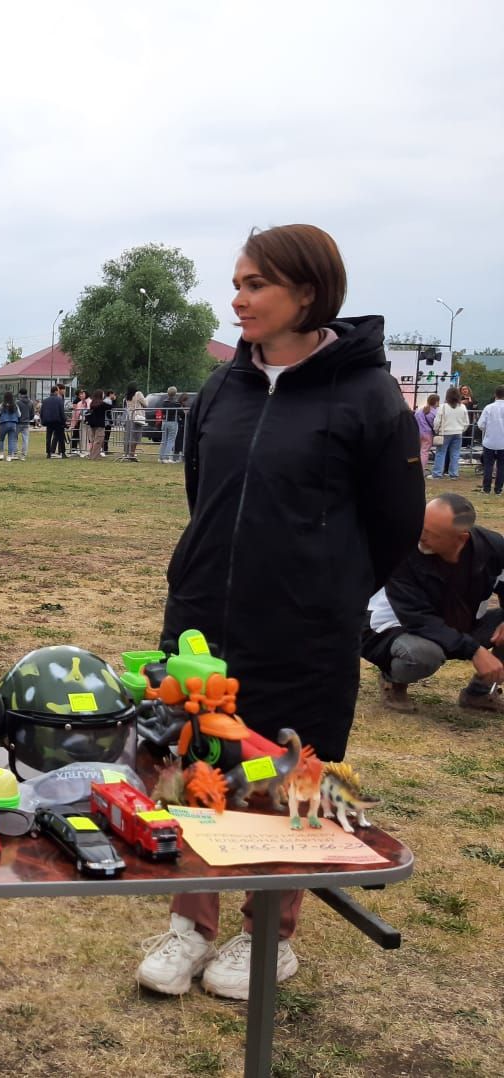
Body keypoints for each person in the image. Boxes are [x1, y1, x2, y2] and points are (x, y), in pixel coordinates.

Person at [136, 223, 423, 1002]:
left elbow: (396, 523)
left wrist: (322, 585)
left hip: (305, 632)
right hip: (203, 623)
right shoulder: (222, 387)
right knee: (198, 770)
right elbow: (206, 493)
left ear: (308, 292)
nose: (238, 299)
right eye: (236, 282)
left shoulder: (367, 396)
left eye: (256, 283)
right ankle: (190, 925)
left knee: (288, 775)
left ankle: (271, 935)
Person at [365, 494, 504, 714]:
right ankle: (393, 678)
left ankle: (480, 693)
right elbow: (420, 620)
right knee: (424, 655)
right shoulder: (403, 551)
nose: (420, 535)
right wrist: (475, 650)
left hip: (459, 624)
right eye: (421, 527)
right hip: (395, 629)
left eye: (430, 533)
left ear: (461, 539)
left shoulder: (492, 548)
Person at [431, 387, 469, 480]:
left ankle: (437, 474)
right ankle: (454, 474)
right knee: (455, 454)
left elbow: (437, 421)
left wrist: (436, 430)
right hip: (458, 433)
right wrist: (461, 430)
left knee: (440, 453)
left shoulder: (443, 407)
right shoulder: (462, 407)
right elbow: (467, 422)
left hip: (445, 433)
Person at [477, 386, 504, 495]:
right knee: (502, 466)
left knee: (488, 465)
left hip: (489, 441)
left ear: (495, 394)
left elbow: (480, 425)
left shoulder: (488, 408)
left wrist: (489, 428)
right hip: (503, 442)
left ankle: (486, 488)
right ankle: (498, 489)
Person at [415, 393, 440, 475]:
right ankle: (421, 470)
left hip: (417, 433)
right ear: (436, 402)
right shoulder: (435, 412)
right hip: (428, 434)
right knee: (424, 452)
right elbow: (436, 424)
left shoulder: (419, 411)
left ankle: (415, 468)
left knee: (418, 451)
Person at [40, 385, 67, 459]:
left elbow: (41, 412)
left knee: (48, 437)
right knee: (61, 437)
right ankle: (63, 453)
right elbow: (61, 412)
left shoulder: (45, 400)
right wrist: (64, 421)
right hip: (58, 421)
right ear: (56, 391)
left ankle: (48, 453)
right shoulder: (59, 400)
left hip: (48, 421)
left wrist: (43, 420)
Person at [0, 391, 22, 461]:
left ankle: (1, 454)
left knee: (1, 439)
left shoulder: (2, 405)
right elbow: (19, 415)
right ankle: (9, 456)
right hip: (13, 424)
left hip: (4, 423)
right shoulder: (15, 405)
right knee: (11, 440)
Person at [122, 384, 145, 462]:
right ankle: (132, 454)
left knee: (129, 436)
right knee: (135, 437)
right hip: (137, 418)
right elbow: (146, 404)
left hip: (129, 417)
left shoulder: (127, 396)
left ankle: (127, 453)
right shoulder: (138, 394)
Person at [158, 387, 180, 463]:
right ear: (175, 393)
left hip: (164, 421)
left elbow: (162, 411)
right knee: (171, 440)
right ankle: (166, 457)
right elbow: (180, 412)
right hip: (173, 422)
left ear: (168, 393)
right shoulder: (176, 403)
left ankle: (161, 457)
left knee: (163, 440)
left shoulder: (164, 402)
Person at [85, 390, 109, 459]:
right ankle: (94, 456)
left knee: (93, 440)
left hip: (92, 424)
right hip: (100, 424)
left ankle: (92, 454)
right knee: (98, 440)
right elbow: (111, 406)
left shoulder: (92, 403)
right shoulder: (102, 404)